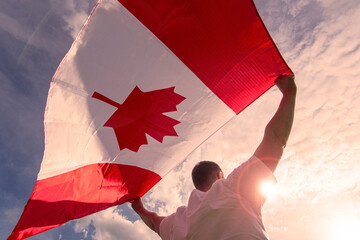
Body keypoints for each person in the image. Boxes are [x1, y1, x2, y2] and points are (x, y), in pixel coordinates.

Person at [131, 74, 297, 240]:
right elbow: (276, 139)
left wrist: (139, 208)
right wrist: (289, 92)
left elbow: (153, 222)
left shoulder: (178, 222)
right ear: (219, 176)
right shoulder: (233, 188)